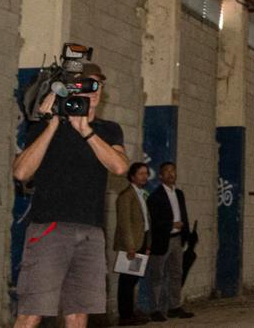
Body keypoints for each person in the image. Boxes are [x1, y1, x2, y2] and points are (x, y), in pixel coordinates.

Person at [11, 62, 130, 328]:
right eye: (86, 85)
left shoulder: (108, 130)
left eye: (97, 85)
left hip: (90, 231)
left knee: (78, 313)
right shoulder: (46, 126)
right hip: (50, 227)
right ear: (71, 89)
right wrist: (52, 124)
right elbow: (21, 172)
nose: (93, 91)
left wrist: (86, 131)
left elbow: (120, 166)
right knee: (32, 311)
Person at [146, 161, 194, 321]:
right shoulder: (155, 196)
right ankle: (156, 309)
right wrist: (170, 225)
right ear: (160, 176)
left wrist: (186, 232)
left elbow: (183, 214)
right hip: (162, 240)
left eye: (173, 171)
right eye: (167, 171)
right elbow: (154, 220)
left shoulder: (179, 193)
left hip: (177, 239)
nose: (171, 174)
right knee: (157, 275)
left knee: (176, 274)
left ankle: (174, 306)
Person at [113, 162, 153, 325]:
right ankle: (125, 316)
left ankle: (131, 311)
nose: (145, 177)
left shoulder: (142, 194)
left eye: (146, 174)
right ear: (132, 176)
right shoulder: (125, 196)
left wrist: (148, 243)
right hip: (132, 244)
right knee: (127, 281)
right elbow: (125, 223)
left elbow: (146, 221)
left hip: (141, 241)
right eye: (141, 174)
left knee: (134, 279)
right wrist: (130, 246)